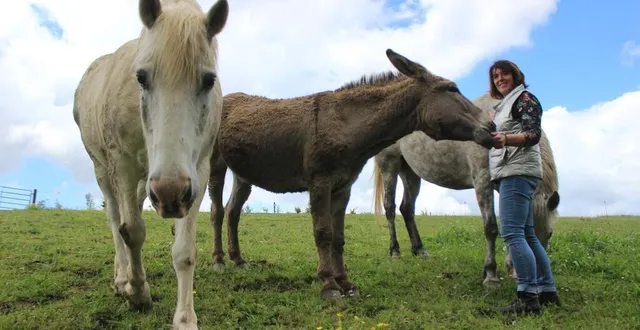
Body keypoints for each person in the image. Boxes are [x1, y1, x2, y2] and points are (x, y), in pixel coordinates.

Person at [487, 60, 561, 315]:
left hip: (516, 173)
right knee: (528, 235)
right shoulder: (508, 104)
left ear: (515, 75)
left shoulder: (525, 99)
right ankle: (547, 290)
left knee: (512, 234)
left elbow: (532, 135)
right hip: (518, 172)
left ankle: (528, 297)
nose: (499, 79)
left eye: (504, 73)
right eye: (495, 76)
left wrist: (503, 138)